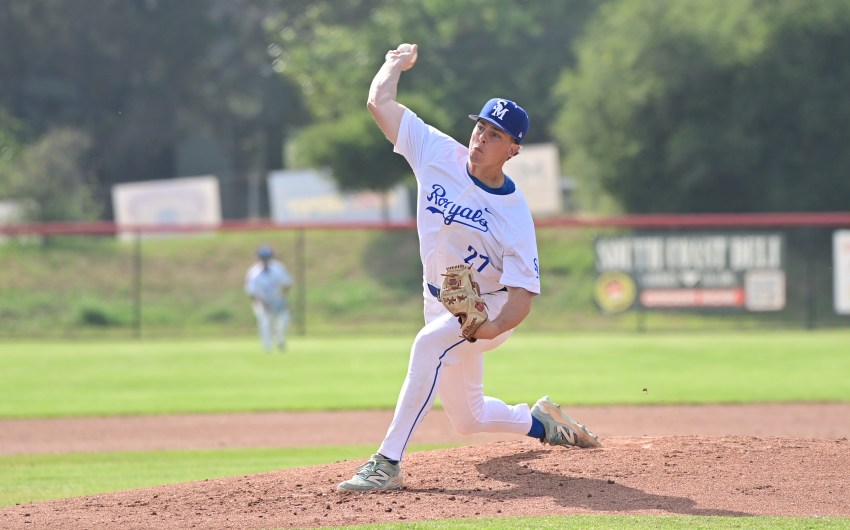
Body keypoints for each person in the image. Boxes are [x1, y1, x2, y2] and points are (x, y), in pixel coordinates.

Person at [337, 43, 601, 493]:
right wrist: (394, 63)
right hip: (437, 300)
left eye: (495, 135)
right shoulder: (437, 152)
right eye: (480, 126)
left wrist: (489, 328)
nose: (481, 138)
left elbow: (522, 297)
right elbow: (379, 102)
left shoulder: (514, 216)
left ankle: (386, 463)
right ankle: (543, 423)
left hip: (487, 306)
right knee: (468, 417)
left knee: (427, 347)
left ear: (513, 149)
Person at [244, 245, 292, 352]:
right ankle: (267, 345)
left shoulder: (278, 268)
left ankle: (280, 340)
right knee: (265, 323)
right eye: (263, 258)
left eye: (267, 258)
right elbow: (251, 292)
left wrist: (282, 298)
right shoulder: (254, 273)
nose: (265, 260)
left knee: (284, 320)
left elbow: (286, 284)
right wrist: (262, 303)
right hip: (261, 301)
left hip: (277, 299)